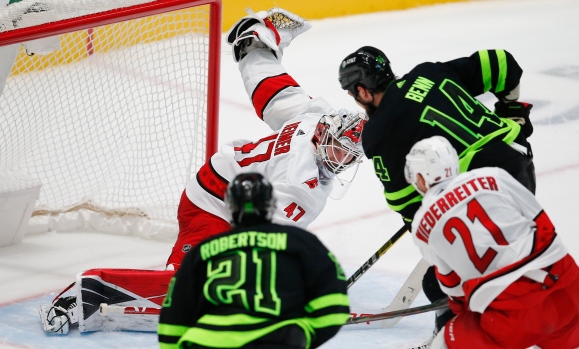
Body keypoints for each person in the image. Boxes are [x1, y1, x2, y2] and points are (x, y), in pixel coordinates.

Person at [39, 8, 365, 335]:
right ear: (325, 134)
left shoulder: (317, 117)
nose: (340, 161)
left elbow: (274, 93)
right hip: (209, 208)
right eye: (339, 148)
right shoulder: (306, 186)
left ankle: (254, 39)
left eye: (350, 157)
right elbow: (266, 243)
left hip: (225, 191)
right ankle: (89, 291)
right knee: (192, 288)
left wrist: (257, 47)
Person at [338, 46, 536, 333]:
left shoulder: (379, 131)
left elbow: (405, 202)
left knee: (439, 280)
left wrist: (434, 232)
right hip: (519, 165)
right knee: (502, 257)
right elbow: (501, 63)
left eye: (351, 92)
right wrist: (512, 110)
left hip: (482, 195)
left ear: (362, 90)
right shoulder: (427, 72)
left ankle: (460, 335)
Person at [404, 136, 579, 349]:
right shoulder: (493, 175)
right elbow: (542, 222)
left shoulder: (422, 225)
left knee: (444, 342)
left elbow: (453, 287)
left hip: (510, 313)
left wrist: (471, 308)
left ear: (421, 178)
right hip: (566, 285)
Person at [158, 172, 350, 349]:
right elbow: (334, 307)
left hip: (208, 342)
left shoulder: (203, 251)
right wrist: (302, 335)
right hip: (279, 339)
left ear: (230, 207)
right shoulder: (301, 243)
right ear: (272, 205)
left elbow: (172, 319)